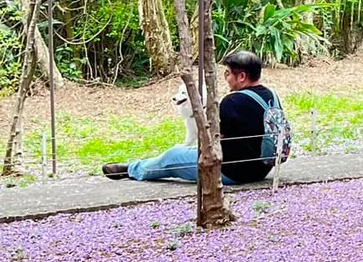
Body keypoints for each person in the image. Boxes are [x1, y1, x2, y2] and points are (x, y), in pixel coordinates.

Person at [101, 51, 286, 185]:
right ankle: (137, 166)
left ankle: (132, 169)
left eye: (228, 73)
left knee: (172, 157)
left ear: (242, 76)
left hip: (231, 172)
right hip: (262, 169)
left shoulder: (233, 102)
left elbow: (212, 140)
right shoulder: (272, 96)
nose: (226, 78)